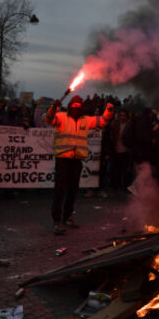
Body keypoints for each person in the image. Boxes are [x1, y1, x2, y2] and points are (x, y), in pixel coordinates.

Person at [44, 95, 114, 235]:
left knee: (73, 190)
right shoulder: (62, 117)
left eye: (79, 107)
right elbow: (49, 119)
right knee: (60, 190)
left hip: (77, 160)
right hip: (63, 159)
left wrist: (109, 110)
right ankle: (57, 221)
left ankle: (67, 217)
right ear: (69, 106)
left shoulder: (85, 120)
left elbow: (103, 121)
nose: (76, 109)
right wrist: (52, 107)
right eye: (74, 106)